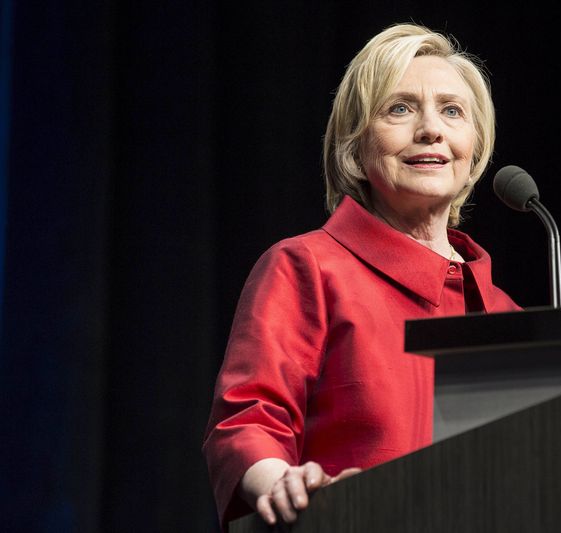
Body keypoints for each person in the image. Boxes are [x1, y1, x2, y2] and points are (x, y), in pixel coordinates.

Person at [202, 22, 520, 529]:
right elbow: (249, 421)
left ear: (475, 146)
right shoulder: (307, 267)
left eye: (452, 111)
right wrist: (281, 481)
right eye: (400, 108)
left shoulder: (505, 312)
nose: (431, 129)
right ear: (356, 143)